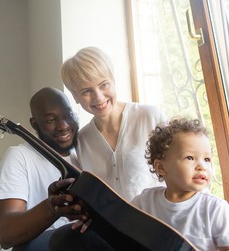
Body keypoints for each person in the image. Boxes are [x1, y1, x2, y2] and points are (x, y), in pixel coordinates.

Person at [130, 117, 229, 251]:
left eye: (207, 159)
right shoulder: (145, 201)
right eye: (190, 158)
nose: (202, 166)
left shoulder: (214, 208)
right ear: (161, 167)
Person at [61, 46, 167, 202]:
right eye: (86, 91)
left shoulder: (150, 117)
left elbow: (182, 170)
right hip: (110, 225)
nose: (98, 98)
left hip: (160, 221)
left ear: (114, 81)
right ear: (75, 97)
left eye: (104, 84)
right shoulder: (81, 141)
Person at [0, 87, 87, 251]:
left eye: (68, 115)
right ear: (35, 124)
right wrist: (52, 208)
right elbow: (6, 233)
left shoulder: (84, 155)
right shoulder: (19, 157)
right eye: (51, 120)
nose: (63, 125)